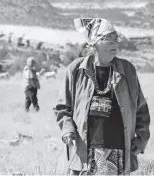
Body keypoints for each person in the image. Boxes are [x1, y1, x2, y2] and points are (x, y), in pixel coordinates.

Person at [53, 18, 151, 175]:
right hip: (85, 149)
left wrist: (141, 139)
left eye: (116, 39)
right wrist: (67, 130)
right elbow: (63, 107)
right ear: (94, 42)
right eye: (108, 39)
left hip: (119, 149)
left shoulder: (127, 69)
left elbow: (141, 108)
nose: (114, 43)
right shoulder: (76, 70)